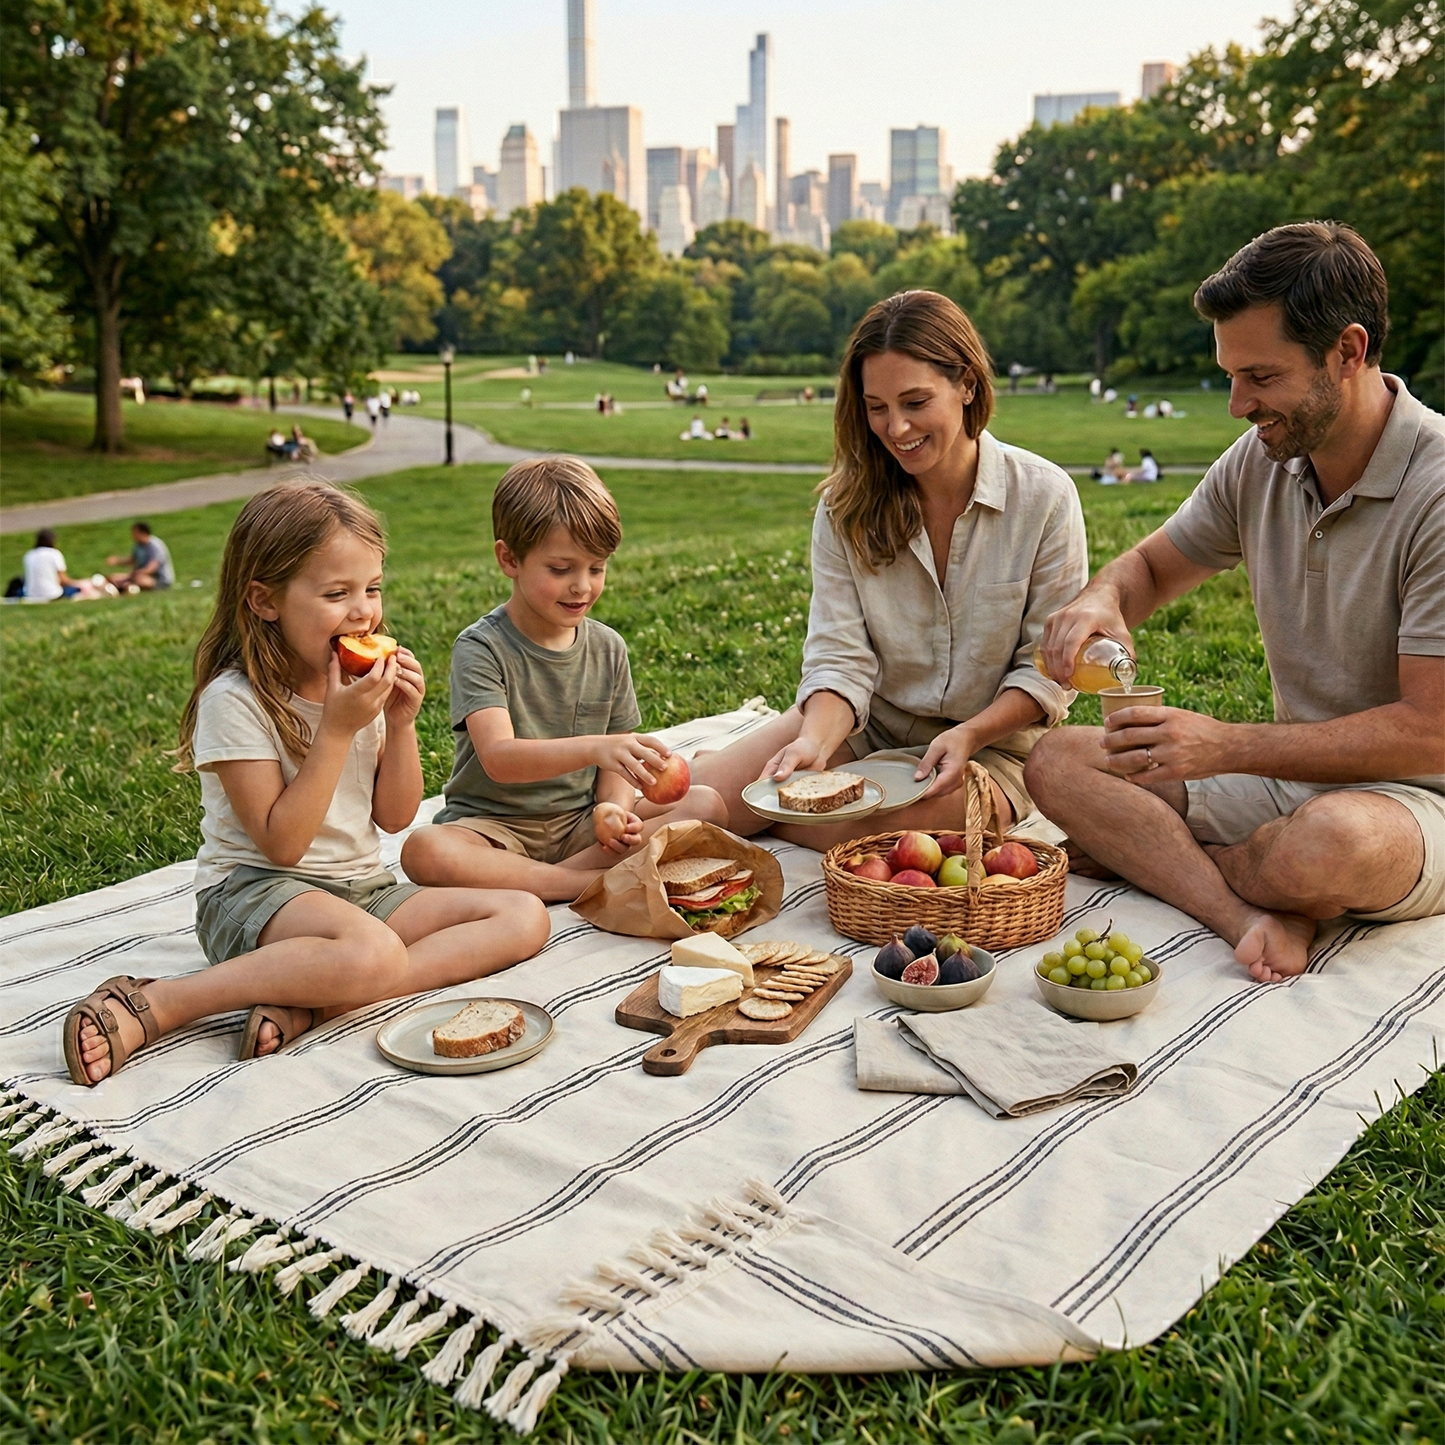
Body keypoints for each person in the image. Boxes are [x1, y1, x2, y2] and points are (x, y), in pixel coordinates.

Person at [1025, 221, 1445, 985]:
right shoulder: (1262, 459)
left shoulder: (1437, 488)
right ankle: (1248, 907)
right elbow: (1150, 567)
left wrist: (1224, 746)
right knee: (1057, 761)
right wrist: (1101, 598)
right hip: (1285, 782)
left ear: (1347, 352)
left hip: (1414, 805)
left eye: (1259, 376)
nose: (1235, 404)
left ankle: (1196, 863)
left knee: (1329, 844)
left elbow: (1431, 733)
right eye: (1229, 375)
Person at [62, 481, 549, 1085]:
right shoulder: (235, 700)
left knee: (523, 916)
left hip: (361, 891)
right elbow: (282, 844)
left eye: (372, 588)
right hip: (253, 895)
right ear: (265, 600)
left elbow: (395, 816)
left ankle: (319, 1001)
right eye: (336, 593)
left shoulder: (354, 683)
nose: (363, 612)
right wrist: (338, 730)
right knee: (373, 951)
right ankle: (163, 1002)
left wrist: (400, 724)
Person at [692, 288, 1088, 848]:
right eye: (876, 407)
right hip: (865, 724)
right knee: (688, 804)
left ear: (967, 384)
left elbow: (1046, 671)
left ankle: (770, 818)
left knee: (897, 837)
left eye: (915, 402)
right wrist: (813, 742)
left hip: (993, 747)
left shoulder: (1045, 497)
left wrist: (971, 734)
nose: (896, 428)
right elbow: (840, 657)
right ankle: (576, 873)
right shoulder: (845, 506)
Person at [400, 458, 726, 901]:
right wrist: (595, 748)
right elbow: (499, 758)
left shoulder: (608, 648)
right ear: (509, 559)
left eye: (597, 568)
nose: (582, 586)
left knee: (706, 805)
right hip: (495, 829)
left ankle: (541, 880)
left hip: (579, 826)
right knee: (425, 850)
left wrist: (612, 810)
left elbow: (616, 765)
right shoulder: (481, 647)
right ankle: (579, 883)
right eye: (560, 569)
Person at [21, 528, 94, 601]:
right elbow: (63, 580)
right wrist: (79, 583)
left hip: (31, 594)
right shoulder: (54, 554)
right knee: (79, 589)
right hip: (52, 594)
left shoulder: (29, 555)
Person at [107, 522, 173, 592]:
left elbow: (152, 568)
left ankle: (127, 587)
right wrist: (118, 561)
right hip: (140, 575)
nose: (133, 536)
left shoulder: (155, 546)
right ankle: (126, 586)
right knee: (114, 578)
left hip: (158, 579)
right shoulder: (138, 546)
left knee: (140, 580)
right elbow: (132, 559)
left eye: (135, 533)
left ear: (143, 533)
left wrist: (136, 574)